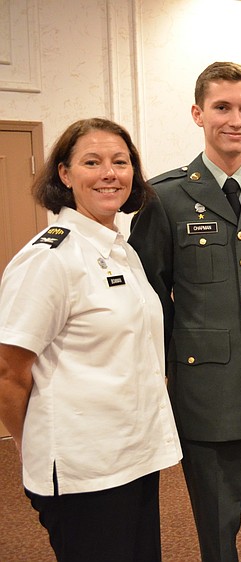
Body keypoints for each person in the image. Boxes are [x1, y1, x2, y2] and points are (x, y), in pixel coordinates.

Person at [129, 62, 241, 562]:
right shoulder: (164, 197)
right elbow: (150, 297)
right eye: (222, 107)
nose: (236, 120)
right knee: (217, 530)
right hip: (206, 393)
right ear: (198, 114)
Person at [0, 118, 181, 561]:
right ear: (64, 174)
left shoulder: (121, 250)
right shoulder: (49, 258)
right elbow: (8, 370)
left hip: (133, 457)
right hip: (84, 470)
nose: (109, 174)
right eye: (92, 162)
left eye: (120, 162)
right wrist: (31, 442)